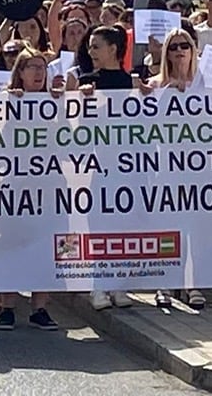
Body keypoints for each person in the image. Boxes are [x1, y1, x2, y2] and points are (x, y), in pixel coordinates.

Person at [0, 45, 60, 330]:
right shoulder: (5, 102)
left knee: (45, 247)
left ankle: (39, 308)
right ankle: (8, 306)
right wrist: (9, 104)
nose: (38, 72)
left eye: (42, 67)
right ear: (19, 72)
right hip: (15, 189)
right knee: (13, 246)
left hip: (48, 190)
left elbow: (71, 140)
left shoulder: (56, 103)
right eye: (31, 67)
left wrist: (72, 101)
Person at [78, 24, 137, 312]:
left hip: (127, 169)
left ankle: (119, 285)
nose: (91, 51)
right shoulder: (86, 83)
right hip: (96, 167)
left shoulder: (134, 84)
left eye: (96, 46)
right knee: (99, 226)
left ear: (113, 49)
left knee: (124, 225)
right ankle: (98, 285)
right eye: (90, 46)